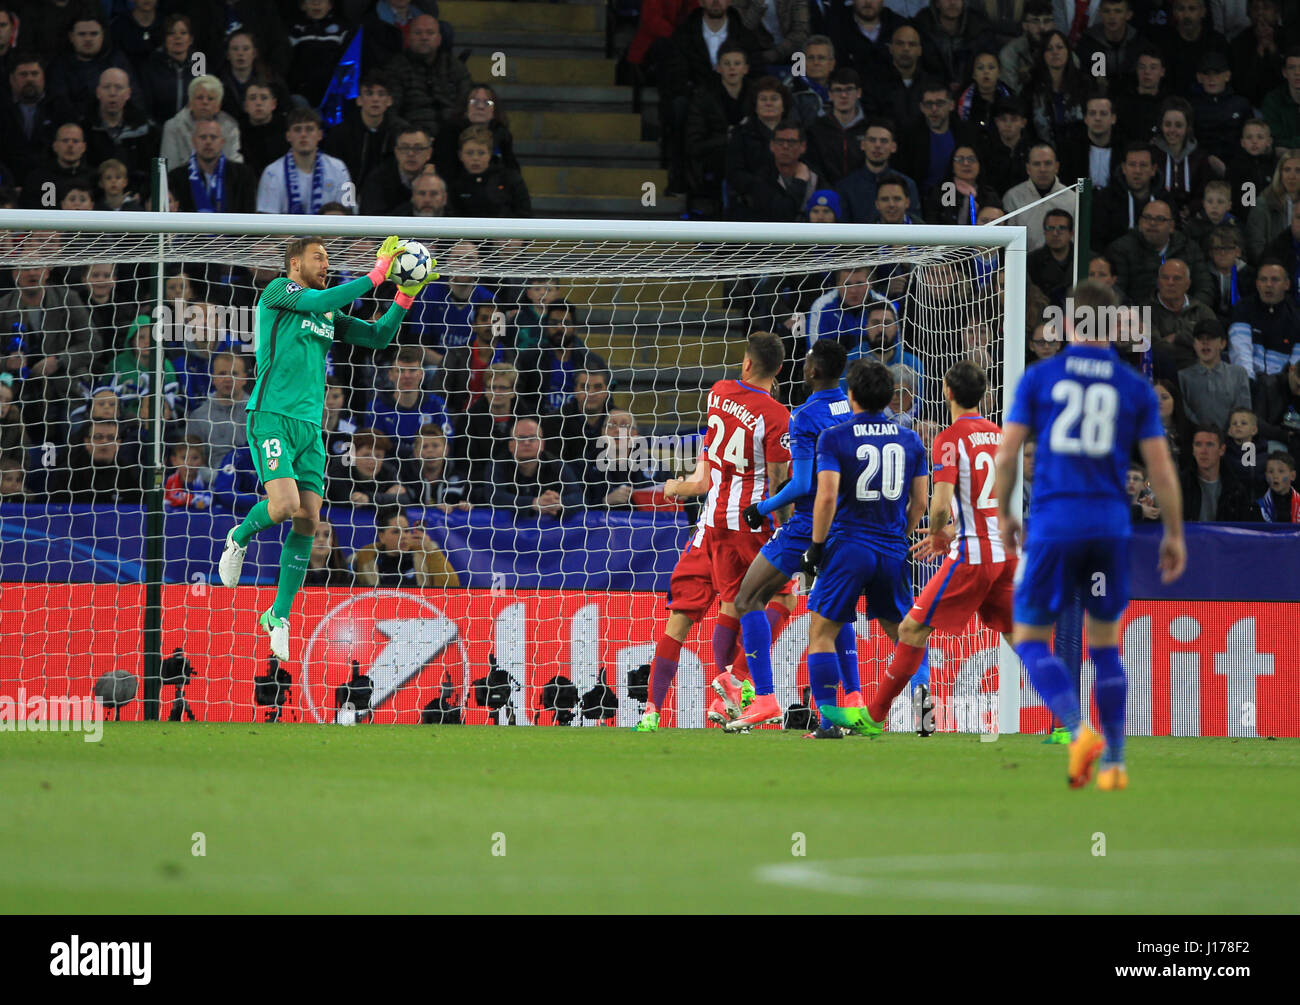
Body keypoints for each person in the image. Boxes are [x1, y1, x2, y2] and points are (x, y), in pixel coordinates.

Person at [993, 280, 1186, 790]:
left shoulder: (1041, 377)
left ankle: (1077, 730)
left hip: (1055, 523)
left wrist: (1007, 513)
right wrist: (1173, 531)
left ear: (1067, 324)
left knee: (1031, 637)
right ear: (1116, 324)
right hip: (1109, 525)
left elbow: (1009, 453)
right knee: (1104, 645)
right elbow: (1161, 469)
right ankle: (1116, 762)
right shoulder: (1134, 387)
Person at [216, 235, 437, 662]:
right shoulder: (279, 292)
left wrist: (404, 295)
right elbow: (320, 302)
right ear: (294, 262)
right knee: (282, 506)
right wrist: (378, 274)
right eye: (318, 258)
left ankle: (278, 616)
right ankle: (238, 536)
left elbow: (377, 337)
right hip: (271, 416)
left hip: (310, 430)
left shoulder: (328, 311)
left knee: (307, 519)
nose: (325, 264)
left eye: (328, 259)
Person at [634, 333, 791, 731]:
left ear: (746, 363)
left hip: (710, 527)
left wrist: (674, 487)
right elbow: (777, 479)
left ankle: (652, 711)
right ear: (780, 369)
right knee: (775, 601)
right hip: (751, 525)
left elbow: (705, 476)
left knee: (689, 617)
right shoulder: (778, 416)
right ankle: (733, 682)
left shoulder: (718, 393)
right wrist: (788, 526)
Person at [873, 360, 1018, 736]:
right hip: (1004, 552)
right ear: (983, 395)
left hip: (955, 552)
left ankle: (873, 715)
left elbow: (937, 504)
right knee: (1022, 640)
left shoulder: (949, 438)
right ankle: (1070, 718)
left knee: (907, 628)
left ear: (946, 391)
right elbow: (995, 502)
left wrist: (941, 533)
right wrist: (953, 529)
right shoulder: (1000, 435)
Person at [792, 357, 927, 738]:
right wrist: (901, 534)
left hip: (849, 546)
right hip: (892, 549)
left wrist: (816, 547)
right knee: (906, 633)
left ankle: (829, 723)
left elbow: (827, 497)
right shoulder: (910, 439)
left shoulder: (834, 437)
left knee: (821, 632)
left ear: (851, 394)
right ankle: (924, 704)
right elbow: (920, 502)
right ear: (887, 398)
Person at [727, 340, 850, 735]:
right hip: (847, 524)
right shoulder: (850, 407)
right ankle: (852, 702)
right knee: (833, 610)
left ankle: (764, 697)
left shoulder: (805, 415)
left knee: (748, 597)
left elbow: (799, 484)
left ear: (813, 371)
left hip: (807, 524)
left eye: (809, 360)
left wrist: (761, 509)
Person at [383, 13, 471, 139]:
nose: (424, 37)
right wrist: (412, 134)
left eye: (430, 33)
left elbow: (465, 106)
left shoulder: (455, 67)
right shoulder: (396, 68)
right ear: (408, 38)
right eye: (418, 33)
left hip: (452, 136)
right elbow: (390, 112)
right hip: (410, 138)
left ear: (439, 39)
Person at [255, 108, 353, 215]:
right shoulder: (271, 173)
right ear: (288, 136)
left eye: (309, 129)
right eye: (297, 129)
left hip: (328, 231)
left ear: (320, 135)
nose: (303, 135)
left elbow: (347, 212)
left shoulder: (339, 169)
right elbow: (267, 220)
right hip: (285, 231)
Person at [485, 417, 584, 517]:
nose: (527, 442)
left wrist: (556, 503)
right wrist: (534, 503)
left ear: (542, 444)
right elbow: (494, 497)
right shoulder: (497, 465)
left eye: (533, 438)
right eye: (521, 438)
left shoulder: (556, 464)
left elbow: (579, 497)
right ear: (511, 445)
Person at [835, 119, 922, 224]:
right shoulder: (845, 187)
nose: (877, 145)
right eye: (872, 140)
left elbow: (915, 226)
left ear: (893, 147)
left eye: (884, 141)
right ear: (863, 144)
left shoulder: (908, 184)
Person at [1227, 259, 1300, 382]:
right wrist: (1248, 382)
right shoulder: (1242, 308)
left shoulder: (1296, 316)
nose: (1269, 284)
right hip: (1249, 382)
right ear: (1257, 284)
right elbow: (1240, 351)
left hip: (1283, 385)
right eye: (1263, 279)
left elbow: (1296, 363)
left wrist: (1281, 384)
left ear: (1287, 284)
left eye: (1275, 279)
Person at [352, 508, 461, 588]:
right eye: (396, 532)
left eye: (406, 530)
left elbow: (452, 587)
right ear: (382, 537)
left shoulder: (425, 556)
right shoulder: (365, 559)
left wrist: (433, 552)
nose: (403, 536)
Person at [167, 118, 256, 214]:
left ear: (222, 142)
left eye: (213, 137)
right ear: (193, 142)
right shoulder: (176, 177)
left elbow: (249, 212)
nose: (208, 142)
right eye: (203, 137)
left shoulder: (243, 175)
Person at [1178, 319, 1253, 433]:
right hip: (1196, 439)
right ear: (1194, 344)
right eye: (1200, 339)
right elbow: (1185, 413)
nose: (1205, 343)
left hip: (1231, 440)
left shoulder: (1238, 373)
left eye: (1211, 338)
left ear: (1222, 343)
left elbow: (1243, 411)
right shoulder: (1183, 376)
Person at [1001, 142, 1077, 253]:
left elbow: (1076, 240)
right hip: (1022, 265)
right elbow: (1007, 241)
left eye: (1048, 163)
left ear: (1056, 167)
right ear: (1028, 168)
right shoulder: (1012, 197)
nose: (1042, 169)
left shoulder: (1073, 199)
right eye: (1037, 164)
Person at [158, 74, 243, 171]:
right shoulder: (173, 126)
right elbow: (169, 167)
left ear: (219, 105)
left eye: (210, 98)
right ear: (190, 102)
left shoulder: (230, 126)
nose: (205, 102)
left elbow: (235, 166)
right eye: (199, 98)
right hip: (182, 182)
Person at [446, 124, 531, 217]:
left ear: (490, 154)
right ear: (460, 155)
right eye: (469, 153)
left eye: (481, 153)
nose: (475, 158)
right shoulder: (453, 184)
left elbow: (525, 215)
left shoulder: (510, 180)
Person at [1180, 424, 1262, 521]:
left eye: (1209, 444)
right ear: (1193, 450)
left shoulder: (1236, 489)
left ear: (1222, 450)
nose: (1203, 451)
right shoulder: (1180, 484)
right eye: (1198, 444)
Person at [360, 125, 433, 215]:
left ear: (429, 153)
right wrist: (416, 195)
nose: (411, 153)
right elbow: (374, 222)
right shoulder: (377, 180)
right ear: (396, 152)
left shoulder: (438, 180)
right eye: (405, 148)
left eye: (418, 148)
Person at [164, 436, 212, 510]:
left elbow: (208, 500)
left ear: (203, 460)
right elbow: (171, 497)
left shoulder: (206, 484)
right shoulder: (167, 482)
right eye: (184, 458)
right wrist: (193, 499)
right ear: (174, 461)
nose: (189, 463)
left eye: (195, 458)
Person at [303, 518, 354, 588]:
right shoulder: (291, 571)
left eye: (327, 535)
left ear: (333, 540)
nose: (321, 539)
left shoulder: (344, 572)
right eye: (315, 535)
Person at [1259, 451, 1299, 521]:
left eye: (1281, 471)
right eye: (1271, 472)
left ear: (1293, 475)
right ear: (1266, 476)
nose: (1275, 476)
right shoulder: (1259, 508)